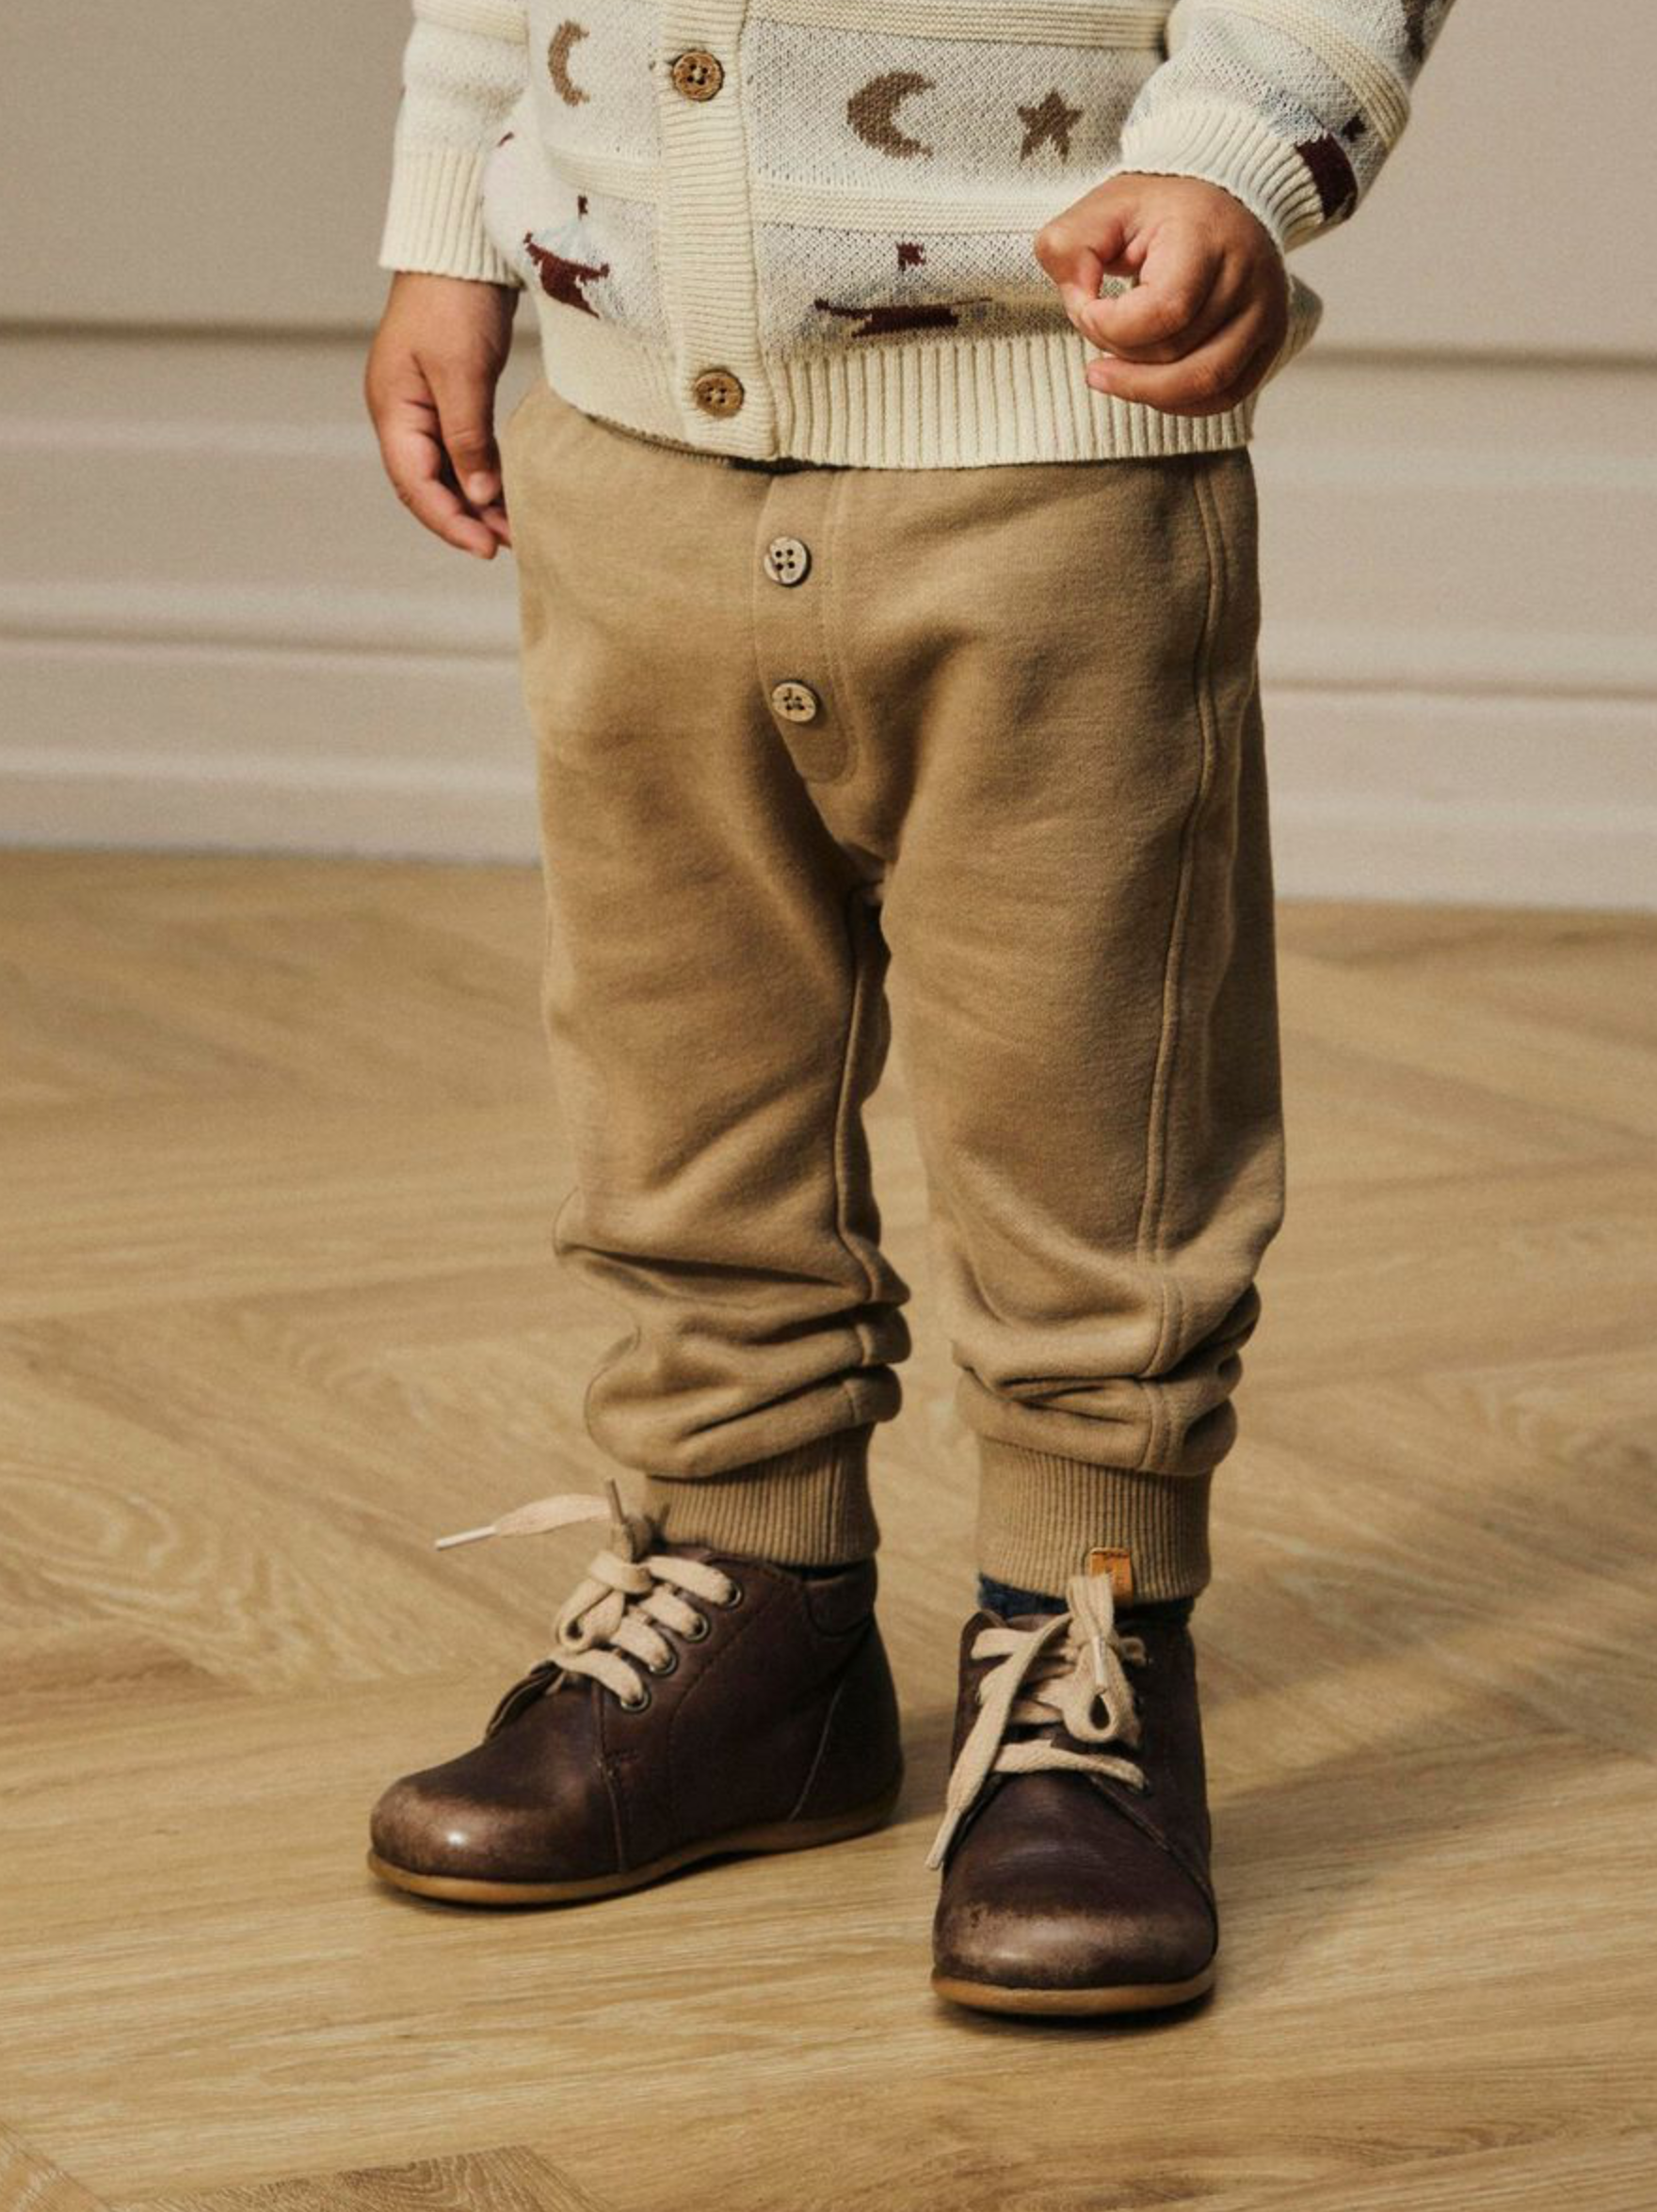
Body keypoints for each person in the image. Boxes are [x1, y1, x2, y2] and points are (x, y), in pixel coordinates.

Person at [362, 0, 1455, 2016]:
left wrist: (1231, 151)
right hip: (624, 454)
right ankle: (751, 1606)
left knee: (1091, 1104)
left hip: (1052, 474)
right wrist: (447, 225)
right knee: (678, 1077)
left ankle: (1083, 1631)